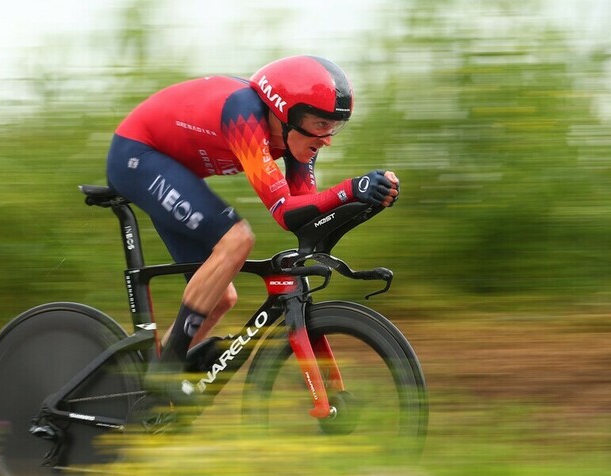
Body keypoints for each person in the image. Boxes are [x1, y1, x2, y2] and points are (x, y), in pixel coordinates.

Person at [106, 55, 400, 421]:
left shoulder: (297, 139)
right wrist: (350, 189)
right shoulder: (243, 114)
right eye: (320, 125)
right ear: (287, 113)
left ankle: (143, 394)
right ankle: (165, 372)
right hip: (136, 155)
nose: (326, 140)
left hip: (171, 167)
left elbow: (305, 216)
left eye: (334, 127)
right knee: (237, 239)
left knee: (220, 297)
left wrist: (365, 201)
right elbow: (284, 211)